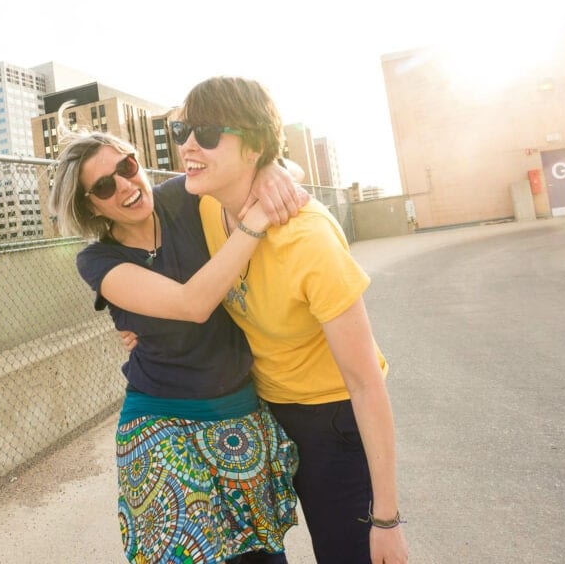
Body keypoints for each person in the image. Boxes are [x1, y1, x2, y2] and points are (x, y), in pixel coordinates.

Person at [174, 77, 409, 564]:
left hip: (332, 421)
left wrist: (386, 520)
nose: (189, 146)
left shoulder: (309, 239)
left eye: (209, 132)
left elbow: (366, 384)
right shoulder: (202, 202)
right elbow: (124, 214)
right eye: (182, 131)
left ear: (254, 145)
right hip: (260, 414)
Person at [48, 129, 307, 564]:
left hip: (238, 411)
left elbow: (286, 171)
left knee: (262, 557)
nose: (126, 186)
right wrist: (255, 221)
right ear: (90, 206)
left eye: (126, 167)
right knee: (190, 553)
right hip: (160, 418)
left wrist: (270, 172)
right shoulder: (98, 261)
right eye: (105, 186)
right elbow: (193, 304)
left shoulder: (185, 196)